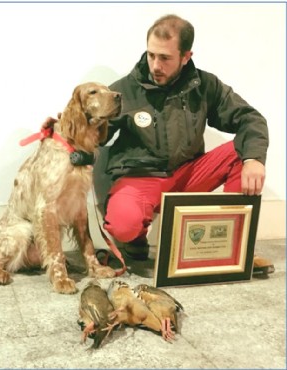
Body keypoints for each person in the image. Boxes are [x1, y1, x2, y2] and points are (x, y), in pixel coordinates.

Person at [44, 14, 274, 274]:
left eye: (165, 58)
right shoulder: (123, 91)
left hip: (188, 173)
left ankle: (232, 247)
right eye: (151, 55)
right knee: (123, 225)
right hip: (141, 178)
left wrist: (253, 158)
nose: (155, 65)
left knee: (242, 152)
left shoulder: (205, 85)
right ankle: (134, 241)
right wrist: (70, 127)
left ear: (186, 56)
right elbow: (99, 136)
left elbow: (251, 119)